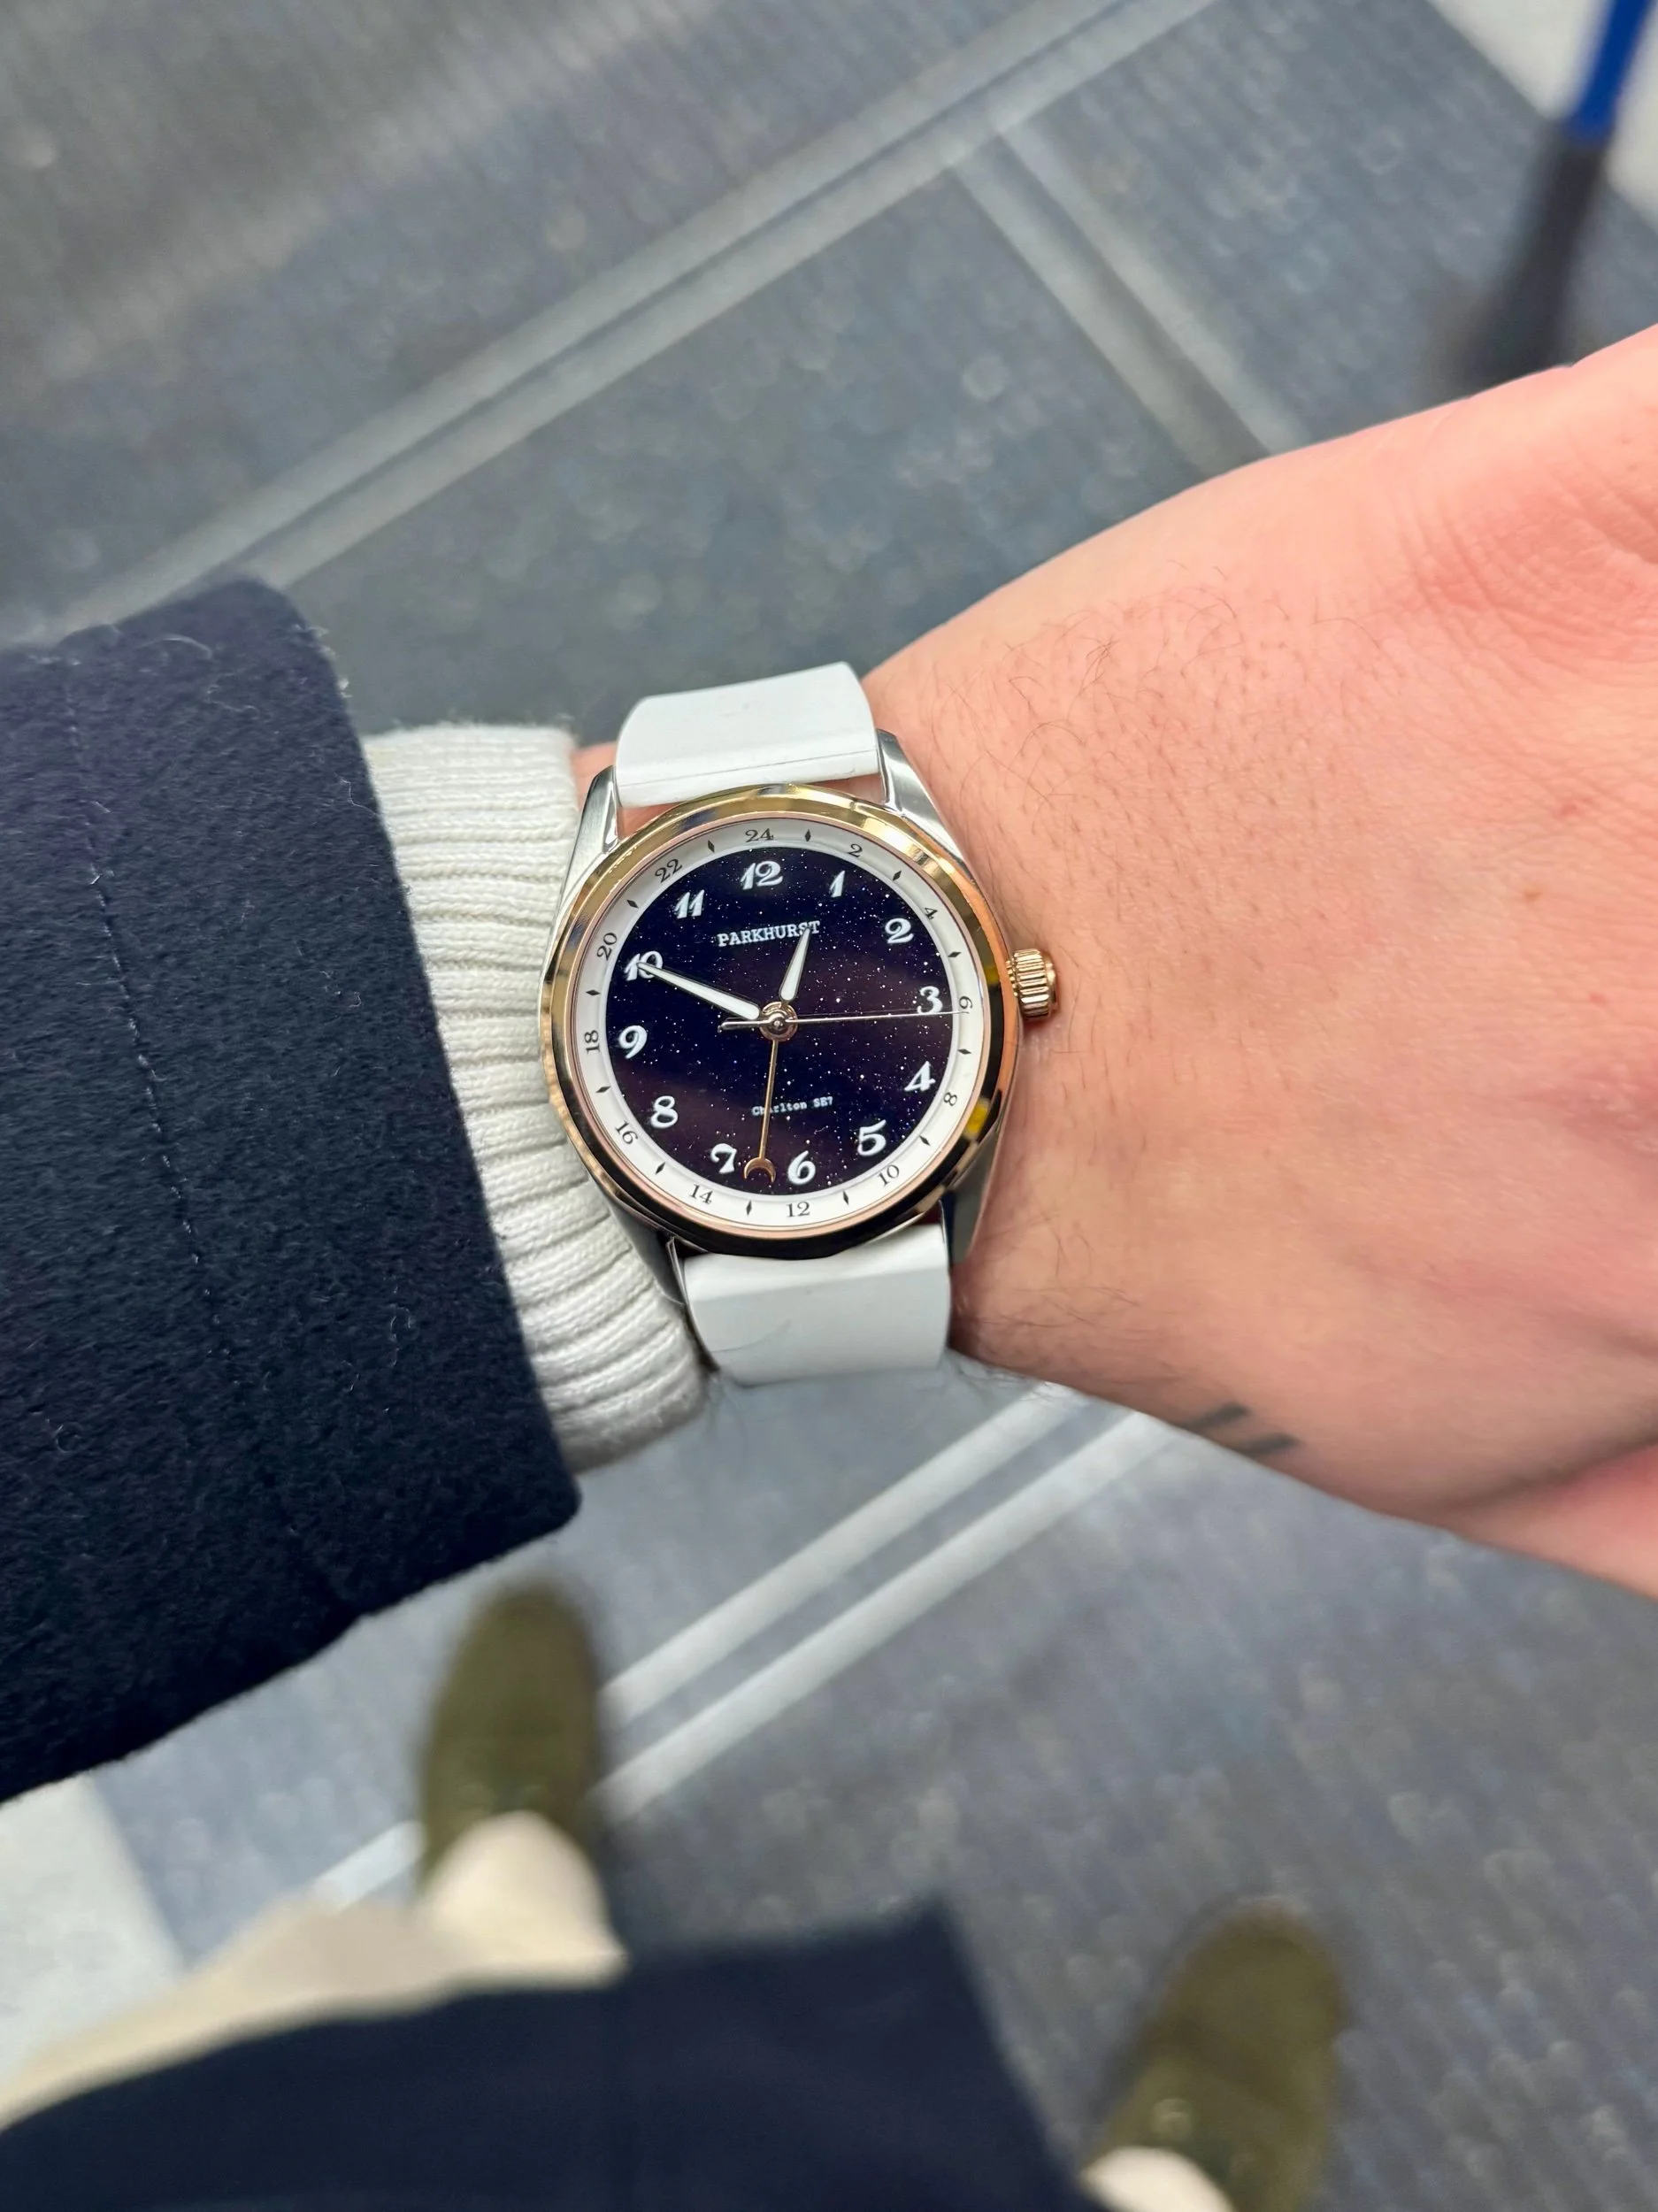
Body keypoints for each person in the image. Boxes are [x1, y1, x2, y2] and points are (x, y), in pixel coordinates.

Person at [6, 324, 1658, 2201]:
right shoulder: (850, 990)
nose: (789, 1016)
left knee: (344, 2042)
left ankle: (498, 1895)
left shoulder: (838, 973)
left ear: (1011, 987)